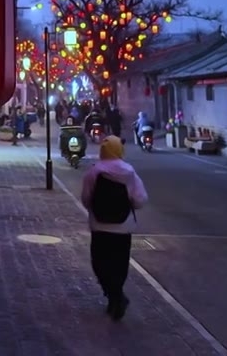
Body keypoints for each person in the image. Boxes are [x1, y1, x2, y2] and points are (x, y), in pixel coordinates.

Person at [81, 136, 148, 321]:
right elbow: (140, 199)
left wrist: (96, 208)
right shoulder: (129, 172)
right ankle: (117, 296)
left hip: (99, 226)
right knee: (119, 265)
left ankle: (114, 297)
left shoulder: (94, 172)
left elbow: (86, 198)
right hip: (123, 227)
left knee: (100, 263)